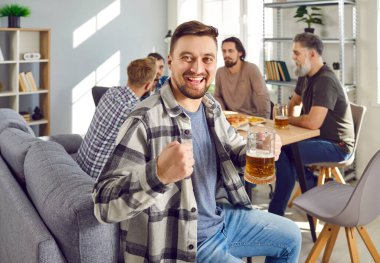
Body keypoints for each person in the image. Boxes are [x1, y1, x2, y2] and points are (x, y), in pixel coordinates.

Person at [93, 20, 301, 263]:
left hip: (221, 218)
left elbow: (235, 150)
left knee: (291, 237)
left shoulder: (211, 106)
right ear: (170, 61)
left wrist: (256, 152)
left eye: (207, 59)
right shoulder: (143, 120)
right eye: (187, 58)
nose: (197, 68)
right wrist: (158, 174)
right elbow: (103, 205)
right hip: (186, 244)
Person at [268, 32, 355, 216]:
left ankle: (275, 214)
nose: (293, 57)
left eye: (296, 53)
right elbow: (294, 103)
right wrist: (286, 129)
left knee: (285, 152)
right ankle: (313, 187)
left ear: (312, 54)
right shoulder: (305, 74)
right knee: (284, 148)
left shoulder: (325, 80)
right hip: (317, 139)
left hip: (338, 146)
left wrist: (287, 121)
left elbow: (313, 123)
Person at [76, 57, 156, 178]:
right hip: (96, 175)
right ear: (148, 85)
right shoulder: (135, 112)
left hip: (81, 162)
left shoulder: (111, 92)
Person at [214, 37, 271, 118]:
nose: (226, 54)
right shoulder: (220, 72)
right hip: (231, 119)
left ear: (240, 52)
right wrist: (223, 115)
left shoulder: (251, 69)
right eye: (224, 51)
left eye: (230, 51)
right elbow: (217, 96)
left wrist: (264, 120)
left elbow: (262, 95)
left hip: (251, 119)